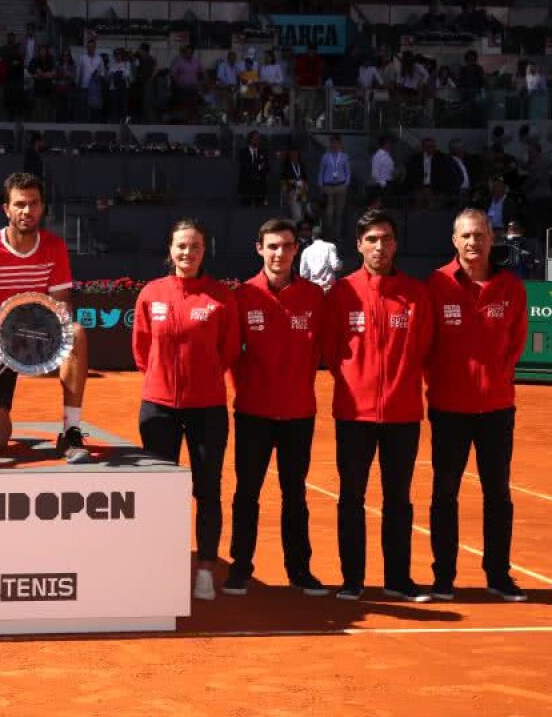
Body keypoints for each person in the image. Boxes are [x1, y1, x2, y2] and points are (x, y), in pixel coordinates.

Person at [322, 210, 433, 602]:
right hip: (354, 414)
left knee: (398, 499)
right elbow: (331, 350)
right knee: (352, 497)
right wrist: (357, 384)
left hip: (403, 413)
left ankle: (397, 579)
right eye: (371, 239)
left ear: (396, 244)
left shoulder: (416, 294)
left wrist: (398, 385)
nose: (379, 247)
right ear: (358, 245)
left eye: (386, 239)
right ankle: (352, 580)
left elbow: (424, 347)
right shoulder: (342, 293)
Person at [132, 218, 240, 600]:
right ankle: (161, 565)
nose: (187, 253)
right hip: (158, 408)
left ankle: (206, 569)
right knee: (160, 492)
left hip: (207, 408)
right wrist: (161, 380)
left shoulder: (220, 297)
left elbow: (229, 350)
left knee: (207, 490)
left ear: (204, 251)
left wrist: (202, 379)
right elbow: (141, 348)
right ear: (170, 249)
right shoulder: (152, 293)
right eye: (181, 245)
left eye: (195, 246)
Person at [425, 210, 528, 603]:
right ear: (455, 240)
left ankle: (498, 575)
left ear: (491, 238)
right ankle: (443, 577)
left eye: (480, 235)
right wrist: (441, 384)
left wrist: (498, 378)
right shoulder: (437, 284)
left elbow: (516, 341)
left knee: (497, 493)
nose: (473, 242)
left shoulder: (510, 287)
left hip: (497, 408)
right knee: (444, 493)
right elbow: (427, 345)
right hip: (449, 408)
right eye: (466, 236)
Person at [224, 219, 329, 597]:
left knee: (294, 494)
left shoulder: (314, 297)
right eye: (272, 246)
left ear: (296, 249)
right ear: (259, 249)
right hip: (253, 412)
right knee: (246, 493)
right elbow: (231, 355)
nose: (279, 253)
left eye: (286, 246)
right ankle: (240, 567)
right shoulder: (243, 296)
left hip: (299, 413)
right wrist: (249, 392)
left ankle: (299, 570)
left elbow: (322, 349)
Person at [0, 173, 90, 464]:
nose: (27, 211)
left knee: (76, 332)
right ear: (6, 209)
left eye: (33, 204)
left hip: (37, 337)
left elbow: (61, 303)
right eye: (19, 204)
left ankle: (71, 430)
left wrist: (44, 341)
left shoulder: (54, 246)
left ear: (42, 207)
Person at [317, 134, 350, 239]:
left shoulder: (344, 156)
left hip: (340, 185)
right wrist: (321, 185)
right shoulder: (325, 156)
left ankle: (337, 235)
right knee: (329, 213)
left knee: (339, 213)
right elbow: (321, 171)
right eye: (333, 143)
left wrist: (346, 184)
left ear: (340, 144)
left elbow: (347, 171)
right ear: (330, 144)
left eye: (336, 143)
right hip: (328, 186)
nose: (334, 145)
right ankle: (329, 234)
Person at [299, 223, 342, 292]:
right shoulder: (330, 247)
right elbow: (336, 266)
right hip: (329, 287)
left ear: (312, 237)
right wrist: (341, 263)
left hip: (314, 288)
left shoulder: (306, 251)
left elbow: (303, 274)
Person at [238, 130, 270, 207]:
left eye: (258, 138)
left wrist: (261, 167)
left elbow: (266, 167)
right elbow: (245, 167)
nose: (257, 140)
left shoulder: (263, 152)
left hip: (260, 183)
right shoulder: (243, 152)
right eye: (255, 138)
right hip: (247, 182)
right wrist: (258, 166)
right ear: (250, 139)